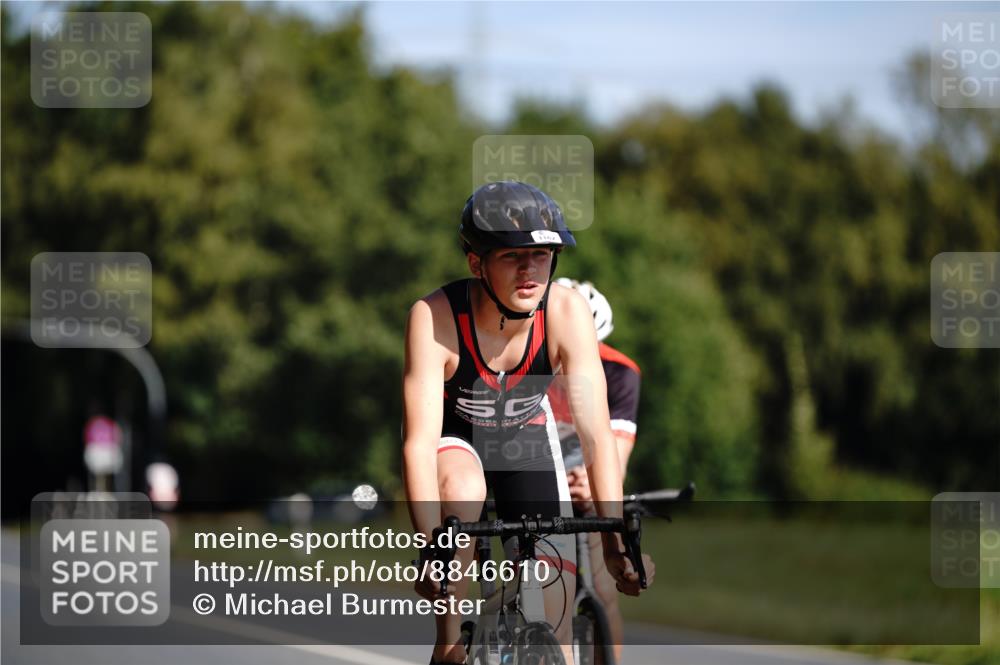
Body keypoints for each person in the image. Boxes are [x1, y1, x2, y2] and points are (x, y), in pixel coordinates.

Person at [402, 181, 654, 665]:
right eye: (511, 256)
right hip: (455, 443)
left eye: (541, 254)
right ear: (476, 263)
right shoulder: (432, 316)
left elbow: (597, 435)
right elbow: (418, 444)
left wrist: (616, 543)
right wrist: (431, 544)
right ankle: (451, 641)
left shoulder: (565, 312)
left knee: (554, 622)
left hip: (525, 442)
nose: (529, 269)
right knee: (462, 489)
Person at [548, 278, 641, 664]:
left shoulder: (620, 373)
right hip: (539, 468)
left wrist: (593, 487)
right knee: (549, 588)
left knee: (603, 592)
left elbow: (614, 449)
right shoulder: (522, 361)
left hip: (587, 475)